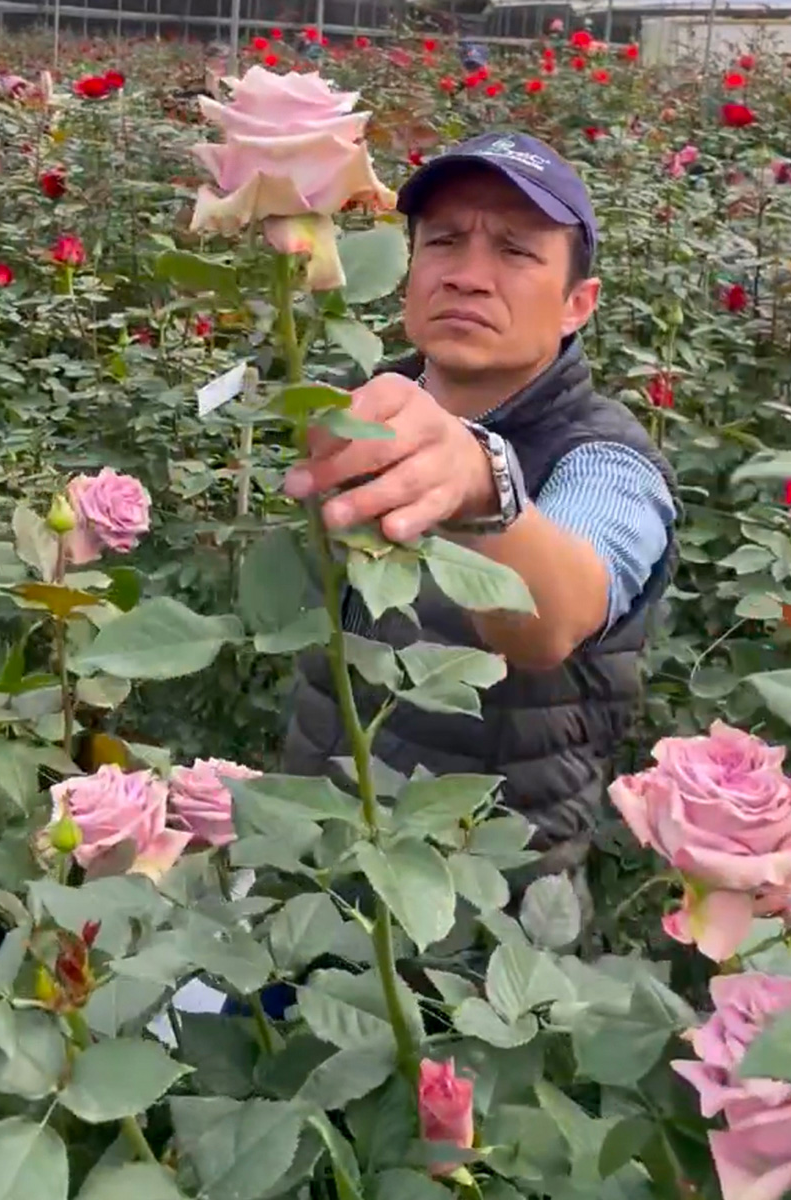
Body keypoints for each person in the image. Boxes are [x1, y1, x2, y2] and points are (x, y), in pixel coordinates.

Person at [282, 131, 678, 899]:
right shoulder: (358, 408)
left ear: (576, 305)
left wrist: (483, 487)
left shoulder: (606, 462)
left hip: (479, 916)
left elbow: (557, 612)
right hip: (311, 869)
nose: (467, 275)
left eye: (515, 251)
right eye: (444, 242)